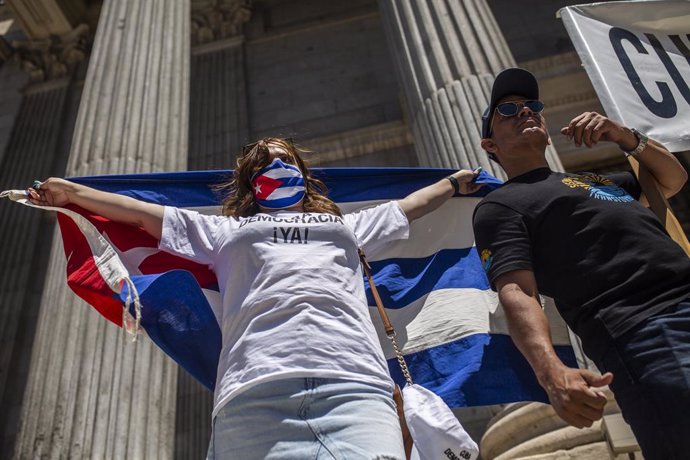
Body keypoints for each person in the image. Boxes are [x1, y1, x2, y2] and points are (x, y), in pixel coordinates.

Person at [29, 138, 482, 460]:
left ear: (303, 176)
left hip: (354, 386)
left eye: (285, 160)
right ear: (252, 182)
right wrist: (72, 194)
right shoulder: (224, 231)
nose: (278, 167)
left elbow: (410, 206)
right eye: (267, 163)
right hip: (254, 390)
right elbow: (144, 215)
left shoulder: (345, 227)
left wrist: (454, 185)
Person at [472, 67, 690, 459]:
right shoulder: (500, 206)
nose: (525, 112)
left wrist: (624, 136)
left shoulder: (598, 182)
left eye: (532, 106)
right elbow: (518, 291)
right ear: (490, 146)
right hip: (645, 332)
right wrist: (550, 371)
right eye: (508, 110)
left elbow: (672, 179)